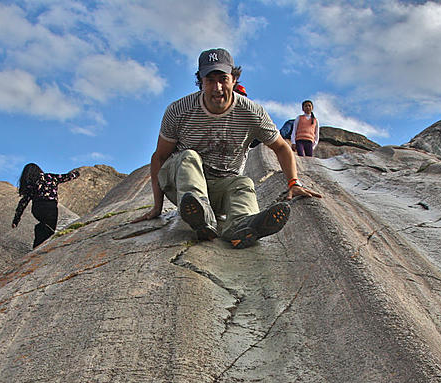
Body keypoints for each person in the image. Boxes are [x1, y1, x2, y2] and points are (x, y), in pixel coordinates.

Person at [132, 48, 321, 248]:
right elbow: (160, 157)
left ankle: (241, 226)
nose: (217, 87)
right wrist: (157, 207)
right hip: (182, 188)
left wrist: (294, 183)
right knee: (189, 157)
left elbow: (282, 147)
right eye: (210, 80)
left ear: (234, 79)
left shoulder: (251, 112)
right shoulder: (179, 111)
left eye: (223, 78)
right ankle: (200, 214)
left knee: (243, 182)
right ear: (201, 81)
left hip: (220, 187)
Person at [12, 163, 80, 248]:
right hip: (50, 207)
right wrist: (76, 174)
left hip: (37, 208)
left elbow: (23, 202)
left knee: (44, 226)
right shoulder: (50, 177)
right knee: (49, 230)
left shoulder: (32, 184)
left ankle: (37, 242)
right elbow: (66, 177)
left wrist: (16, 219)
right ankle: (39, 247)